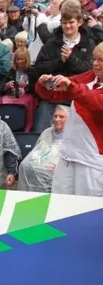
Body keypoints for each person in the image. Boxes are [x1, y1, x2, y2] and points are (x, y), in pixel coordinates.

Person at [34, 42, 103, 196]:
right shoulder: (89, 77)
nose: (96, 64)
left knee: (88, 208)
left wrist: (70, 86)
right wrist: (46, 85)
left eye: (101, 60)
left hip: (92, 160)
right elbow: (57, 93)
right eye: (95, 59)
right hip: (68, 154)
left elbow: (96, 102)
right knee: (60, 202)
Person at [18, 106, 67, 193]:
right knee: (24, 166)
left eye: (61, 117)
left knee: (40, 171)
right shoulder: (47, 132)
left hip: (61, 169)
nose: (57, 119)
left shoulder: (72, 136)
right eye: (55, 116)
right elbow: (37, 151)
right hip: (43, 164)